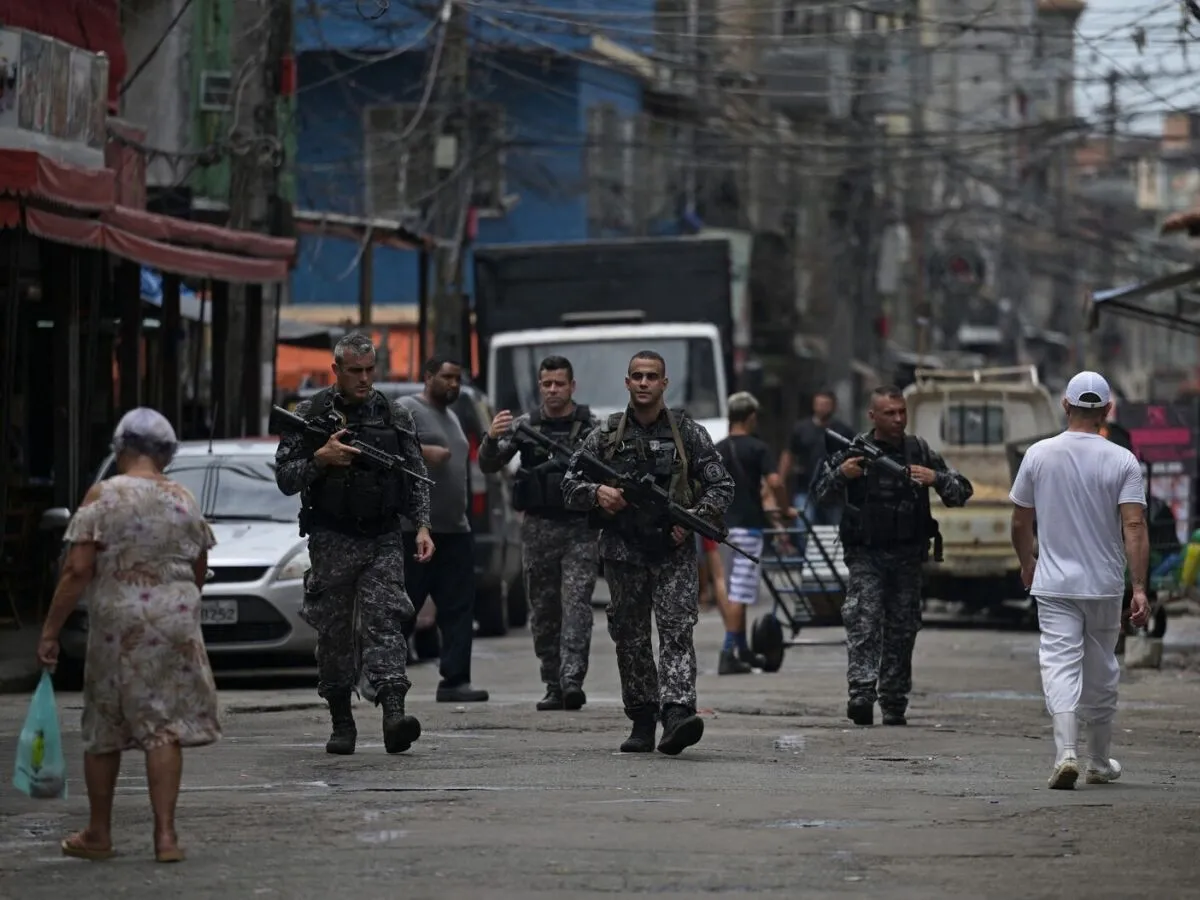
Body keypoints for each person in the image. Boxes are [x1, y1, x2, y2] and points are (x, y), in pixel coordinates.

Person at [38, 408, 221, 863]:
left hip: (119, 624)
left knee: (104, 724)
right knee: (163, 727)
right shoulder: (182, 497)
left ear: (121, 449)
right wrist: (175, 602)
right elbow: (198, 564)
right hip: (174, 621)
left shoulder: (105, 494)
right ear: (166, 454)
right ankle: (166, 838)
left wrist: (50, 631)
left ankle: (99, 833)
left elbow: (78, 568)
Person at [561, 350, 735, 755]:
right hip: (623, 553)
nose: (643, 383)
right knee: (631, 637)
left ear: (663, 383)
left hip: (672, 552)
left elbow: (721, 485)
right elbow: (569, 484)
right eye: (636, 376)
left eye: (651, 376)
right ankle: (642, 718)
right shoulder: (604, 436)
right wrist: (597, 492)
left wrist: (692, 517)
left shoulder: (686, 433)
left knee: (676, 631)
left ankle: (677, 714)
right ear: (627, 382)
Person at [275, 333, 433, 756]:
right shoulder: (310, 413)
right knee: (335, 633)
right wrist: (320, 459)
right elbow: (286, 478)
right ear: (337, 371)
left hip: (381, 536)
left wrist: (421, 526)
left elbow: (414, 475)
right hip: (331, 538)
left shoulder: (393, 414)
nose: (364, 379)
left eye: (369, 370)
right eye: (355, 371)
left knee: (386, 622)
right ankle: (342, 721)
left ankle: (394, 715)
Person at [1009, 371, 1149, 790]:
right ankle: (1099, 760)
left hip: (1054, 583)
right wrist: (1139, 586)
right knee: (1101, 667)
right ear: (1107, 410)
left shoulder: (1038, 454)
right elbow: (1135, 525)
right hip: (1104, 585)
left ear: (1065, 406)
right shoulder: (1122, 459)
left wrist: (1026, 561)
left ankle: (1065, 752)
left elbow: (1020, 519)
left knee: (1059, 662)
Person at [811, 384, 973, 727]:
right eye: (890, 413)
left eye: (902, 412)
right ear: (873, 416)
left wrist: (936, 478)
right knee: (863, 621)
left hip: (907, 557)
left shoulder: (919, 450)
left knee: (903, 629)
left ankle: (894, 700)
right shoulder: (855, 451)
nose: (898, 419)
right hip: (866, 554)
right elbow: (819, 496)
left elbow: (962, 492)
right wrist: (843, 475)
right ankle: (861, 693)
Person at [479, 355, 600, 711]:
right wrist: (490, 438)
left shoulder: (591, 428)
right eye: (546, 384)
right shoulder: (525, 425)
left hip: (580, 529)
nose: (552, 390)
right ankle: (553, 683)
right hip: (538, 529)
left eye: (559, 383)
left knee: (576, 605)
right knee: (544, 610)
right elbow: (490, 464)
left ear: (572, 386)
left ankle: (572, 680)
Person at [398, 356, 490, 703]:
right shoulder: (408, 408)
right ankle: (381, 675)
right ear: (428, 376)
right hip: (416, 531)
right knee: (404, 607)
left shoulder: (452, 416)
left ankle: (454, 680)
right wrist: (423, 452)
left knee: (458, 609)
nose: (453, 384)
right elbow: (385, 447)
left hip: (455, 530)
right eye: (447, 377)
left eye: (457, 378)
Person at [713, 391, 795, 675]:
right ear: (750, 418)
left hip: (721, 528)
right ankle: (727, 653)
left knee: (732, 588)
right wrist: (785, 509)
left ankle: (743, 649)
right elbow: (775, 482)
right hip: (748, 528)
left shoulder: (719, 448)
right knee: (740, 592)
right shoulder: (758, 448)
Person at [778, 389, 855, 527]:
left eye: (826, 404)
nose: (822, 408)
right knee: (804, 526)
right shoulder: (801, 429)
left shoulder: (843, 431)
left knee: (834, 528)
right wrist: (781, 480)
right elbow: (789, 454)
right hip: (805, 487)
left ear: (834, 406)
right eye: (819, 404)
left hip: (834, 490)